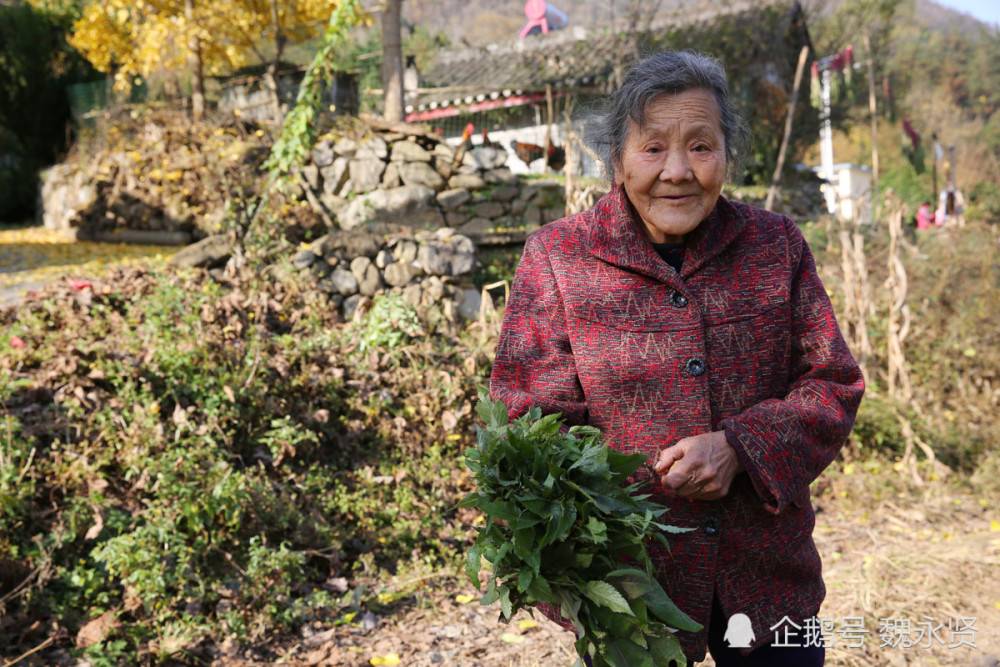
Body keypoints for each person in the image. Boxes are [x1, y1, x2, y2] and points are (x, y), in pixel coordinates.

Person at [490, 50, 864, 666]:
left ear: (727, 154)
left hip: (768, 577)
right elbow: (528, 420)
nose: (678, 171)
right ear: (617, 158)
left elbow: (832, 382)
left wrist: (741, 449)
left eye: (700, 146)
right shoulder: (559, 258)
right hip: (630, 588)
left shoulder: (775, 246)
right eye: (653, 147)